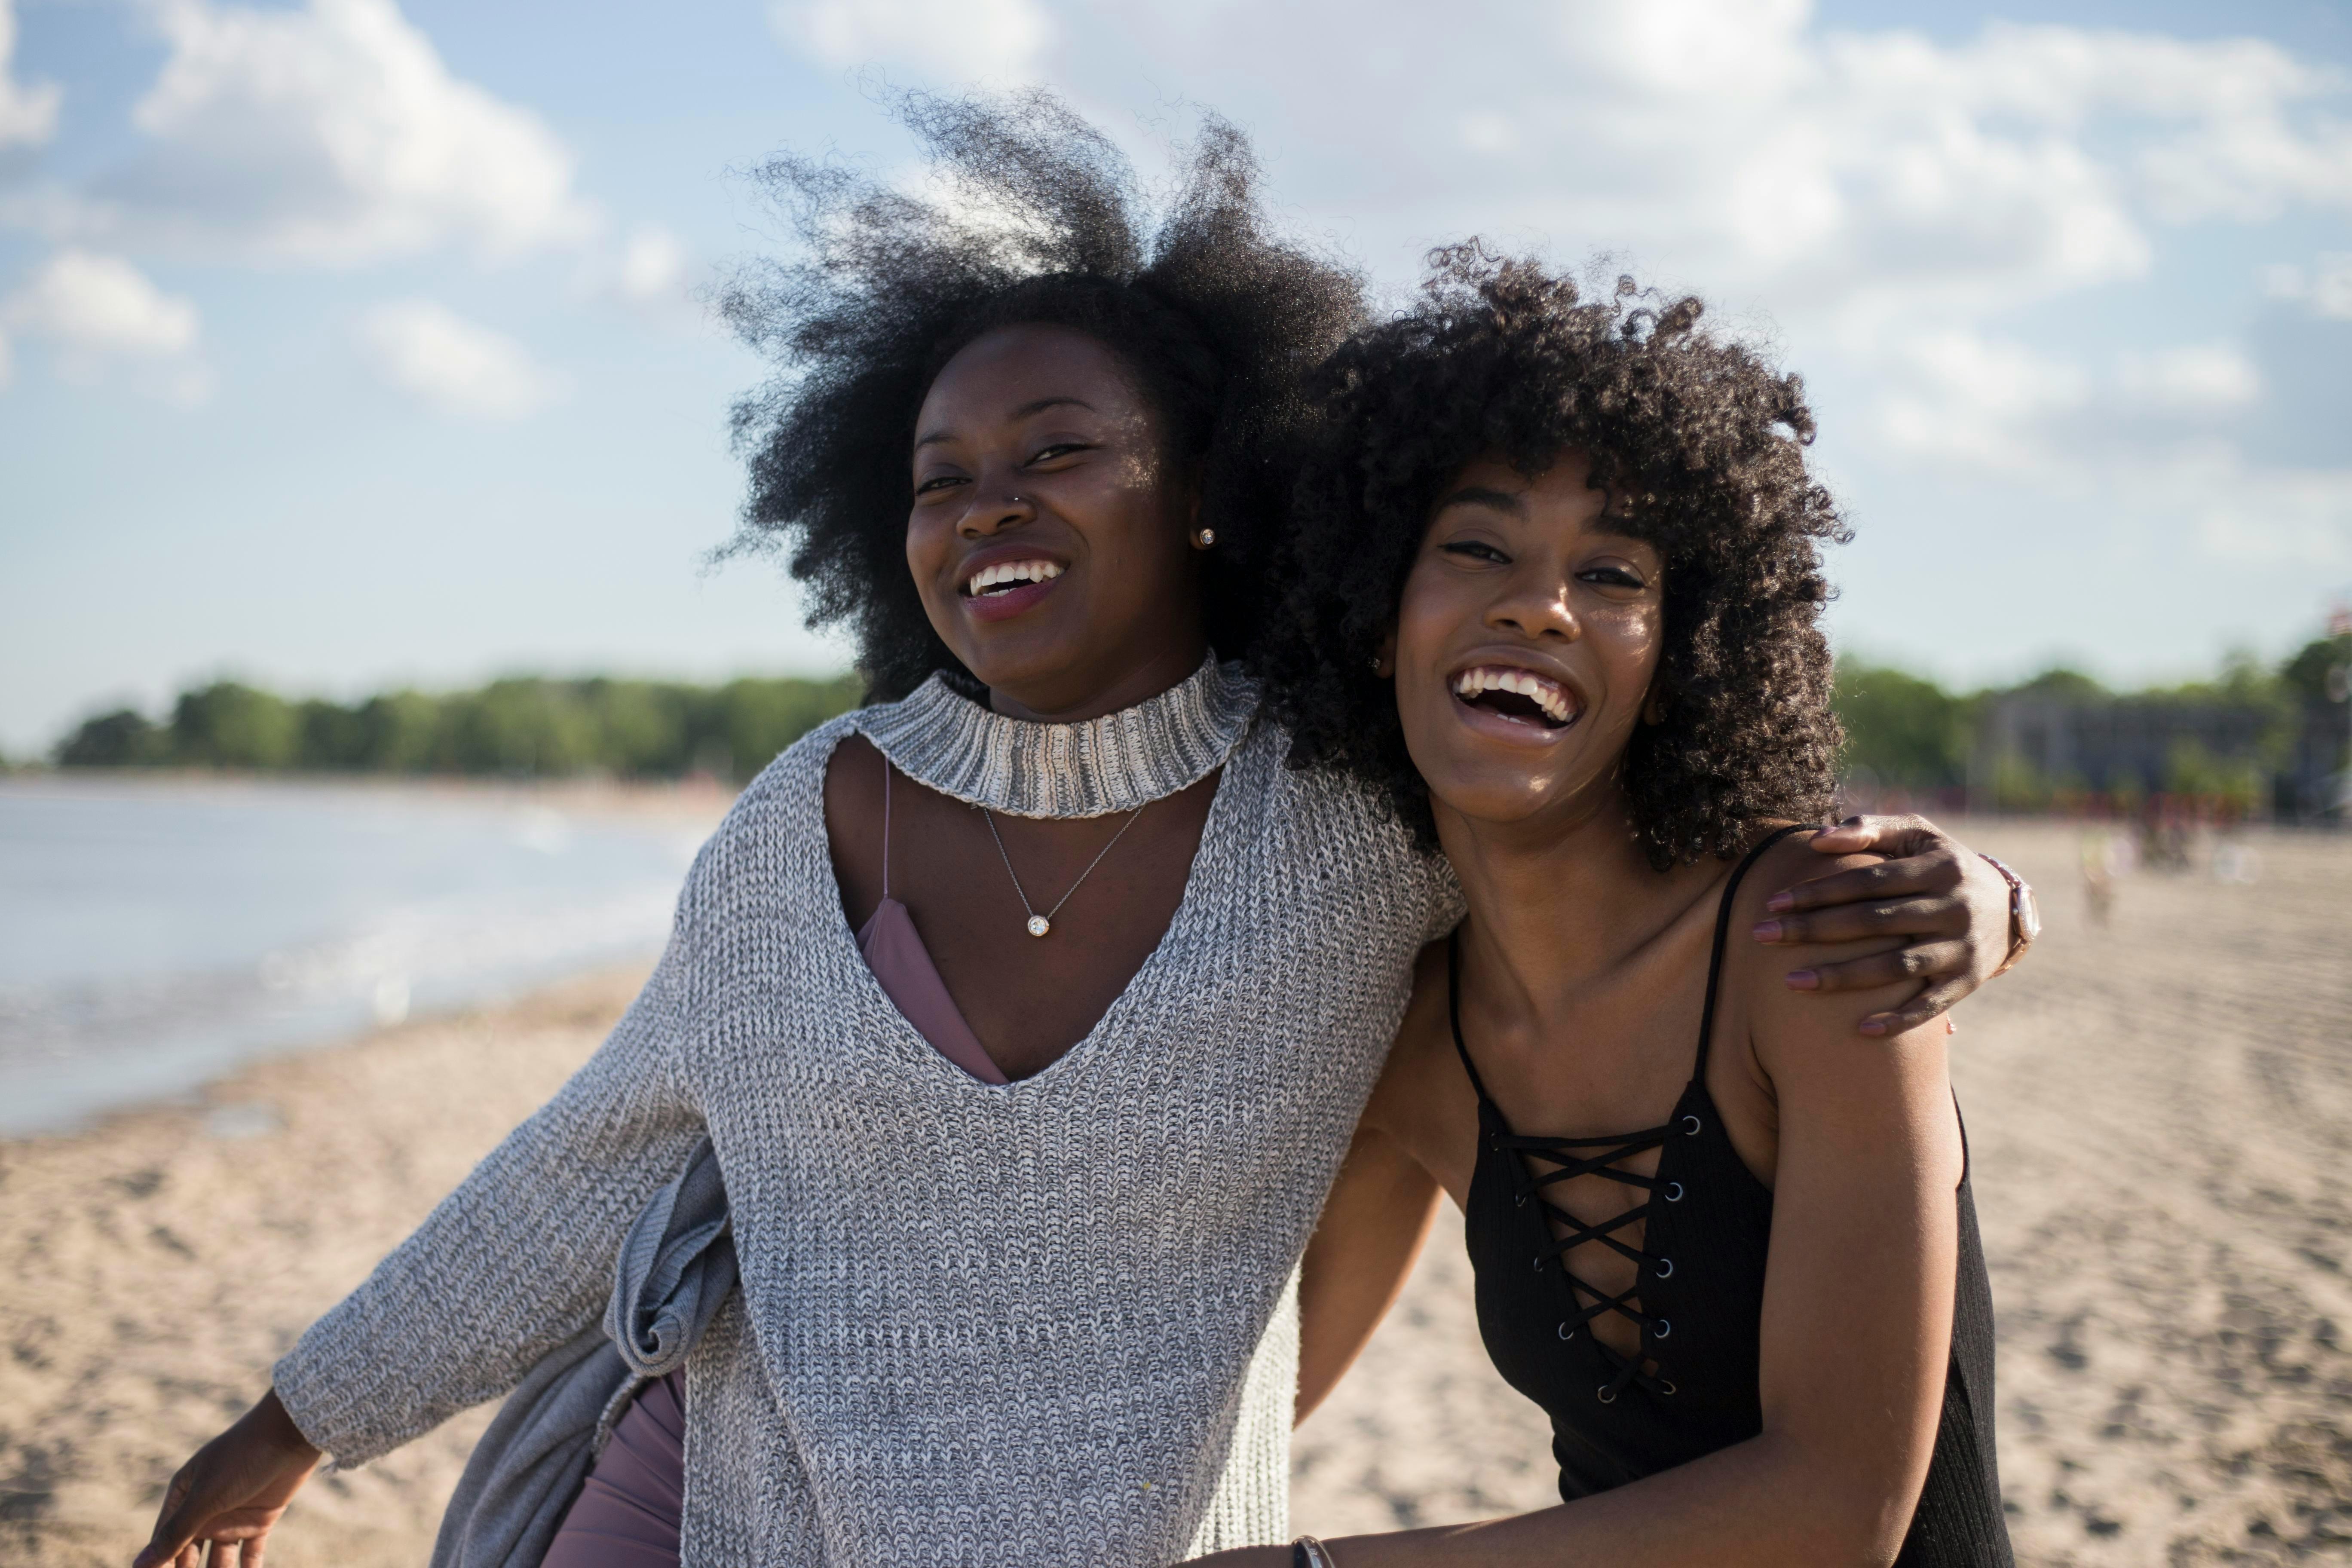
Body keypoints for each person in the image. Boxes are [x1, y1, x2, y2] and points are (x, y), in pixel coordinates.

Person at [135, 100, 2022, 1568]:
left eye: (1058, 452)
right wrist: (291, 1424)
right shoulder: (799, 829)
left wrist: (1991, 898)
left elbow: (1626, 859)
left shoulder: (1356, 829)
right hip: (718, 1516)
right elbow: (584, 1166)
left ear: (1210, 496)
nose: (989, 509)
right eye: (940, 478)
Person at [1212, 250, 2015, 1566]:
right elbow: (1241, 1398)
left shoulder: (1814, 942)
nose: (1538, 603)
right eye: (1477, 547)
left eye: (1615, 576)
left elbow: (1839, 1508)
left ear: (1684, 654)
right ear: (1372, 617)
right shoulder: (1410, 1039)